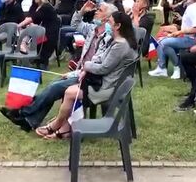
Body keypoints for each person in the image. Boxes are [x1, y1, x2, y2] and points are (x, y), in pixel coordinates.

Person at [0, 2, 119, 131]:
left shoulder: (108, 38)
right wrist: (82, 11)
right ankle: (29, 120)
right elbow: (75, 24)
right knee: (53, 84)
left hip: (90, 77)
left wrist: (74, 73)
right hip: (81, 72)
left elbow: (97, 64)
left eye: (99, 10)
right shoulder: (92, 29)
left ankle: (23, 113)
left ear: (107, 18)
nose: (95, 12)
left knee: (54, 87)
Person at [34, 11, 138, 139]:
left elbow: (103, 68)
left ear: (118, 26)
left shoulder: (120, 45)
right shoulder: (116, 40)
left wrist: (86, 66)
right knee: (70, 89)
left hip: (107, 87)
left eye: (110, 22)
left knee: (69, 92)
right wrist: (88, 65)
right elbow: (101, 58)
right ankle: (64, 128)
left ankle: (57, 126)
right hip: (102, 82)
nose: (107, 25)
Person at [149, 0, 196, 79]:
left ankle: (175, 67)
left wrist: (179, 32)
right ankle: (162, 68)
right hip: (185, 36)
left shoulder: (195, 8)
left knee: (163, 43)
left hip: (192, 39)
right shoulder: (189, 6)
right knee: (162, 40)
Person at [17, 0, 60, 69]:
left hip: (49, 33)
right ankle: (24, 47)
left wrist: (18, 26)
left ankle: (23, 46)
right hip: (43, 30)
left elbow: (31, 19)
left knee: (28, 28)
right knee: (30, 28)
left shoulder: (46, 7)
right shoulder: (38, 6)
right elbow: (34, 19)